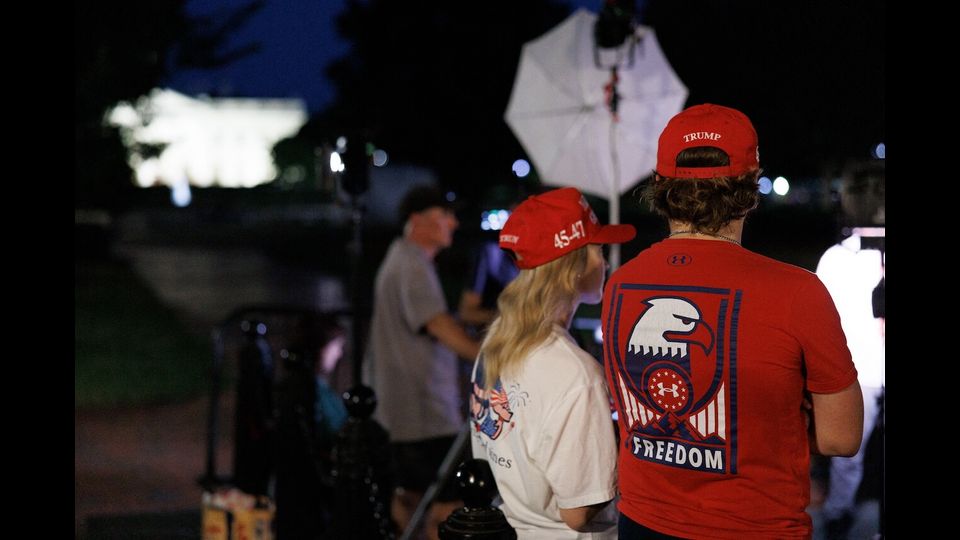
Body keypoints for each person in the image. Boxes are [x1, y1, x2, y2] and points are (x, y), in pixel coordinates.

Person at [601, 103, 864, 538]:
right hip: (753, 526)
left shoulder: (621, 285)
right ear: (750, 186)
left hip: (642, 522)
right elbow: (842, 437)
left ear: (660, 184)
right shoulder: (797, 293)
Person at [469, 187, 636, 538]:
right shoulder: (575, 374)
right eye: (599, 250)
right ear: (572, 267)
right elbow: (578, 511)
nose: (605, 262)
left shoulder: (499, 339)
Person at [362, 184, 482, 539]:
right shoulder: (412, 265)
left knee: (409, 498)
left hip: (400, 411)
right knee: (449, 504)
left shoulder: (400, 258)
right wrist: (492, 354)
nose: (453, 223)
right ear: (417, 220)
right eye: (445, 215)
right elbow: (438, 324)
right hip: (423, 414)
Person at [815, 160, 885, 539]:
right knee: (848, 457)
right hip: (859, 372)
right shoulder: (839, 258)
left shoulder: (837, 257)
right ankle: (839, 514)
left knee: (848, 459)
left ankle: (839, 514)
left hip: (856, 372)